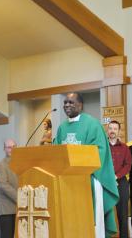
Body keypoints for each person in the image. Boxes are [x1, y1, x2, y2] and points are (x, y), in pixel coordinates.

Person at [54, 92, 119, 238]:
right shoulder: (62, 127)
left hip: (87, 180)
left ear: (80, 105)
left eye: (71, 102)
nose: (67, 105)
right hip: (66, 184)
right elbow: (56, 151)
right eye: (65, 102)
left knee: (89, 221)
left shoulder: (92, 124)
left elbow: (100, 151)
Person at [107, 120, 132, 238]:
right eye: (110, 128)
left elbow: (128, 165)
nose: (112, 131)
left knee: (122, 214)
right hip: (105, 182)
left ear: (119, 131)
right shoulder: (102, 146)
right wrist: (108, 178)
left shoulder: (124, 148)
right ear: (107, 130)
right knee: (104, 212)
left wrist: (116, 177)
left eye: (115, 129)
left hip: (121, 182)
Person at [0, 139, 18, 238]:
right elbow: (3, 185)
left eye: (14, 147)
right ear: (4, 149)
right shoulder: (0, 165)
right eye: (9, 147)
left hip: (21, 209)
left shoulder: (21, 163)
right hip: (7, 210)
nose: (11, 149)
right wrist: (20, 198)